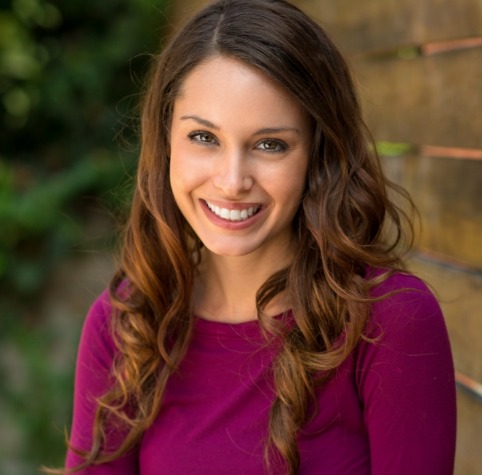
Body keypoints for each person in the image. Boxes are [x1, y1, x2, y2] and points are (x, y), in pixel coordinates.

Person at [57, 0, 457, 474]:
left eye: (271, 145)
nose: (231, 180)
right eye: (204, 137)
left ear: (318, 153)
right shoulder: (127, 325)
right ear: (166, 141)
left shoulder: (390, 321)